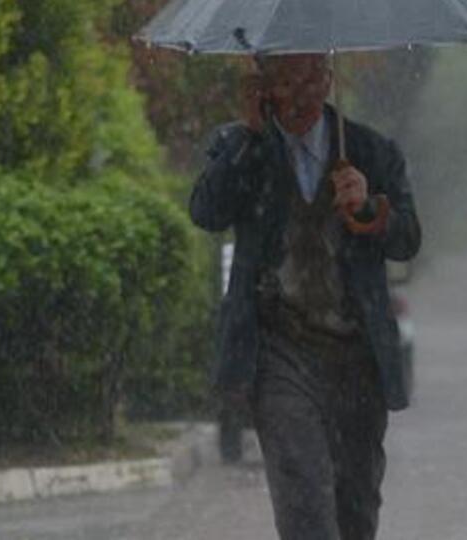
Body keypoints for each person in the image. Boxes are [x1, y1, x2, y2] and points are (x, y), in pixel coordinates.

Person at [190, 54, 421, 540]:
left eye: (310, 80)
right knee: (305, 504)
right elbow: (207, 212)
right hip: (280, 355)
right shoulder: (241, 147)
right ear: (262, 87)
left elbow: (407, 239)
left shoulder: (371, 152)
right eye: (284, 81)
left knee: (355, 509)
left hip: (357, 357)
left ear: (328, 81)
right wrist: (250, 136)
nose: (299, 95)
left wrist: (370, 208)